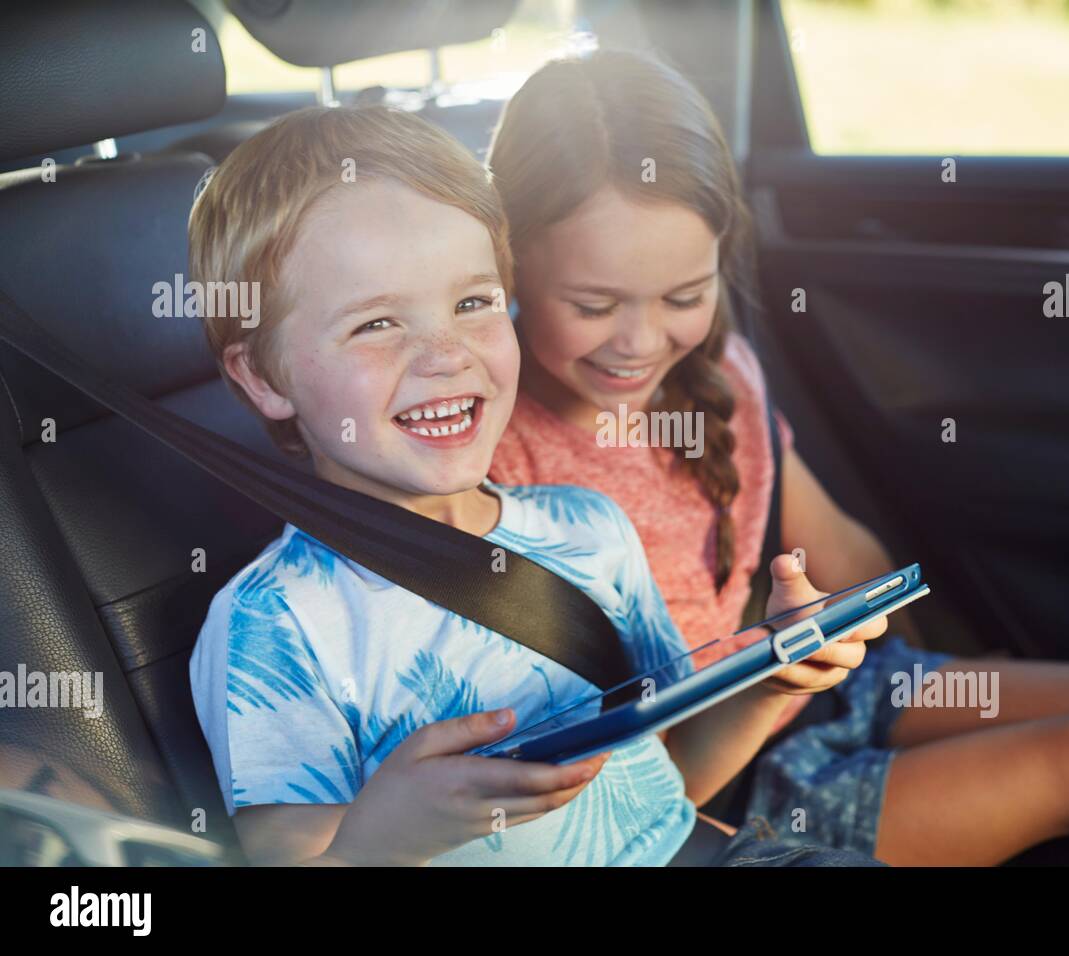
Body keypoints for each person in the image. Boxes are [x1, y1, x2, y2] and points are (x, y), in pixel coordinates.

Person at [487, 50, 1069, 865]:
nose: (638, 342)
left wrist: (945, 671)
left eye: (684, 297)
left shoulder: (718, 375)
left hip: (826, 690)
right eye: (593, 305)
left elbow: (839, 552)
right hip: (722, 791)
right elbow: (627, 806)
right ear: (505, 263)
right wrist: (785, 685)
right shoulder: (487, 463)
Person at [186, 104, 887, 867]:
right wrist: (381, 841)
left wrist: (774, 679)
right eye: (377, 324)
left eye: (472, 303)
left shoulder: (589, 529)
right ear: (261, 376)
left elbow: (668, 786)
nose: (445, 356)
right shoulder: (276, 623)